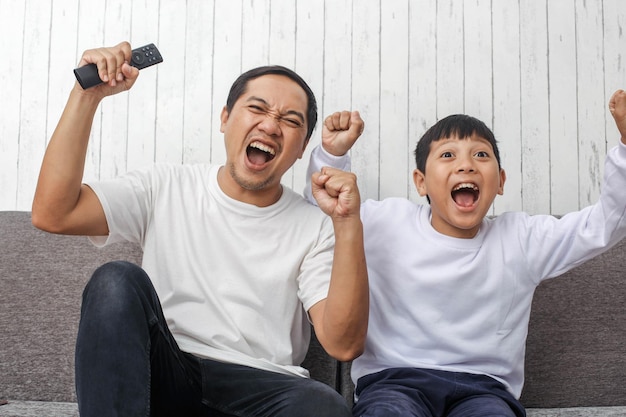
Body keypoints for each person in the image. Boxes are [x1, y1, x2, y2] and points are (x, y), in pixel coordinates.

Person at [31, 41, 369, 417]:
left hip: (262, 389)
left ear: (303, 146)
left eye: (290, 121)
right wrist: (86, 96)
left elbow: (343, 344)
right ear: (225, 118)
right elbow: (54, 214)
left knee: (325, 406)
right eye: (257, 108)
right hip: (168, 372)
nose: (271, 125)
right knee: (115, 280)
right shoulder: (165, 185)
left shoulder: (315, 227)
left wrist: (347, 223)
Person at [306, 90, 626, 417]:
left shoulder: (522, 238)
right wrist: (332, 155)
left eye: (481, 156)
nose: (466, 166)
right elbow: (315, 217)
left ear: (500, 182)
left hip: (485, 388)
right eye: (447, 155)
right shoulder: (385, 221)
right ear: (421, 182)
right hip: (394, 381)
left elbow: (605, 225)